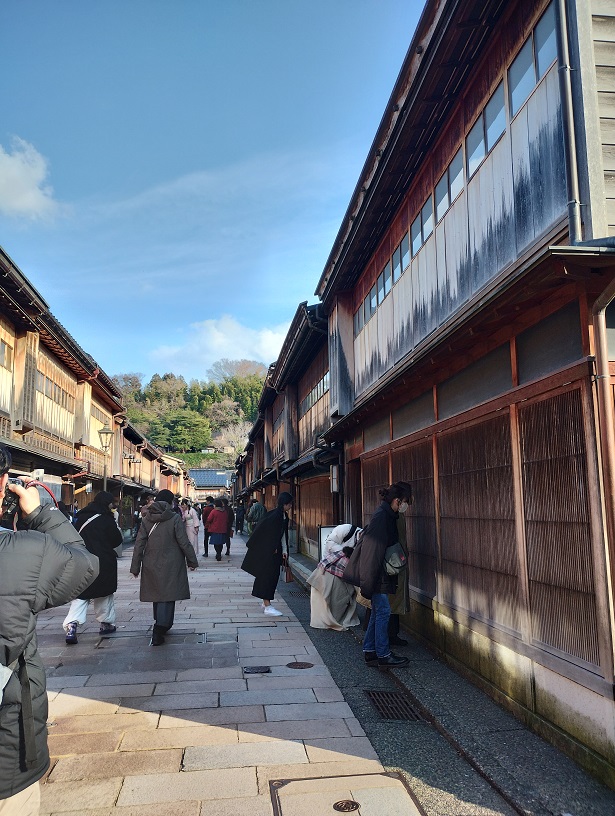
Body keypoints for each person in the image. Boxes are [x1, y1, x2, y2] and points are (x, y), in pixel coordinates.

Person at [0, 443, 99, 815]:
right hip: (8, 733)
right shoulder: (23, 549)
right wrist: (40, 514)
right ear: (3, 486)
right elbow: (85, 565)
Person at [342, 482, 412, 669]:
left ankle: (370, 651)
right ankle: (383, 654)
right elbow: (372, 551)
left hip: (378, 572)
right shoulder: (383, 518)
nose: (405, 506)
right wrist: (367, 581)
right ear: (397, 500)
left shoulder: (386, 515)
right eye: (404, 502)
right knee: (383, 612)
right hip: (377, 573)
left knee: (377, 612)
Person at [130, 489, 198, 646]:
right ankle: (160, 628)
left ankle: (161, 624)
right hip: (172, 562)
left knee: (157, 594)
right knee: (168, 595)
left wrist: (135, 567)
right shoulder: (174, 518)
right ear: (170, 502)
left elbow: (139, 543)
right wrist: (192, 561)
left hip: (151, 561)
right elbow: (183, 541)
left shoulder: (147, 518)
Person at [62, 491, 123, 645]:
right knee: (104, 593)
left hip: (83, 561)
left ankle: (71, 625)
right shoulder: (107, 519)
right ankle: (106, 624)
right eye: (111, 503)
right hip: (104, 562)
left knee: (81, 594)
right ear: (107, 503)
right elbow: (116, 540)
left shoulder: (81, 517)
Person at [241, 492, 293, 617]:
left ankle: (266, 603)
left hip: (275, 552)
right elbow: (263, 532)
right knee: (267, 577)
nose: (291, 506)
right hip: (268, 553)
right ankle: (267, 605)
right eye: (290, 503)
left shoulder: (283, 516)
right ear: (285, 504)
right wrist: (271, 547)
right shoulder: (275, 516)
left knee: (271, 577)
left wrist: (285, 550)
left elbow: (282, 535)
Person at [308, 524, 362, 631]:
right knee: (324, 594)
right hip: (331, 564)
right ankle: (327, 619)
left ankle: (335, 618)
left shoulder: (364, 543)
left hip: (346, 570)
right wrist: (345, 551)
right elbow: (329, 543)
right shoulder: (346, 529)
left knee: (341, 596)